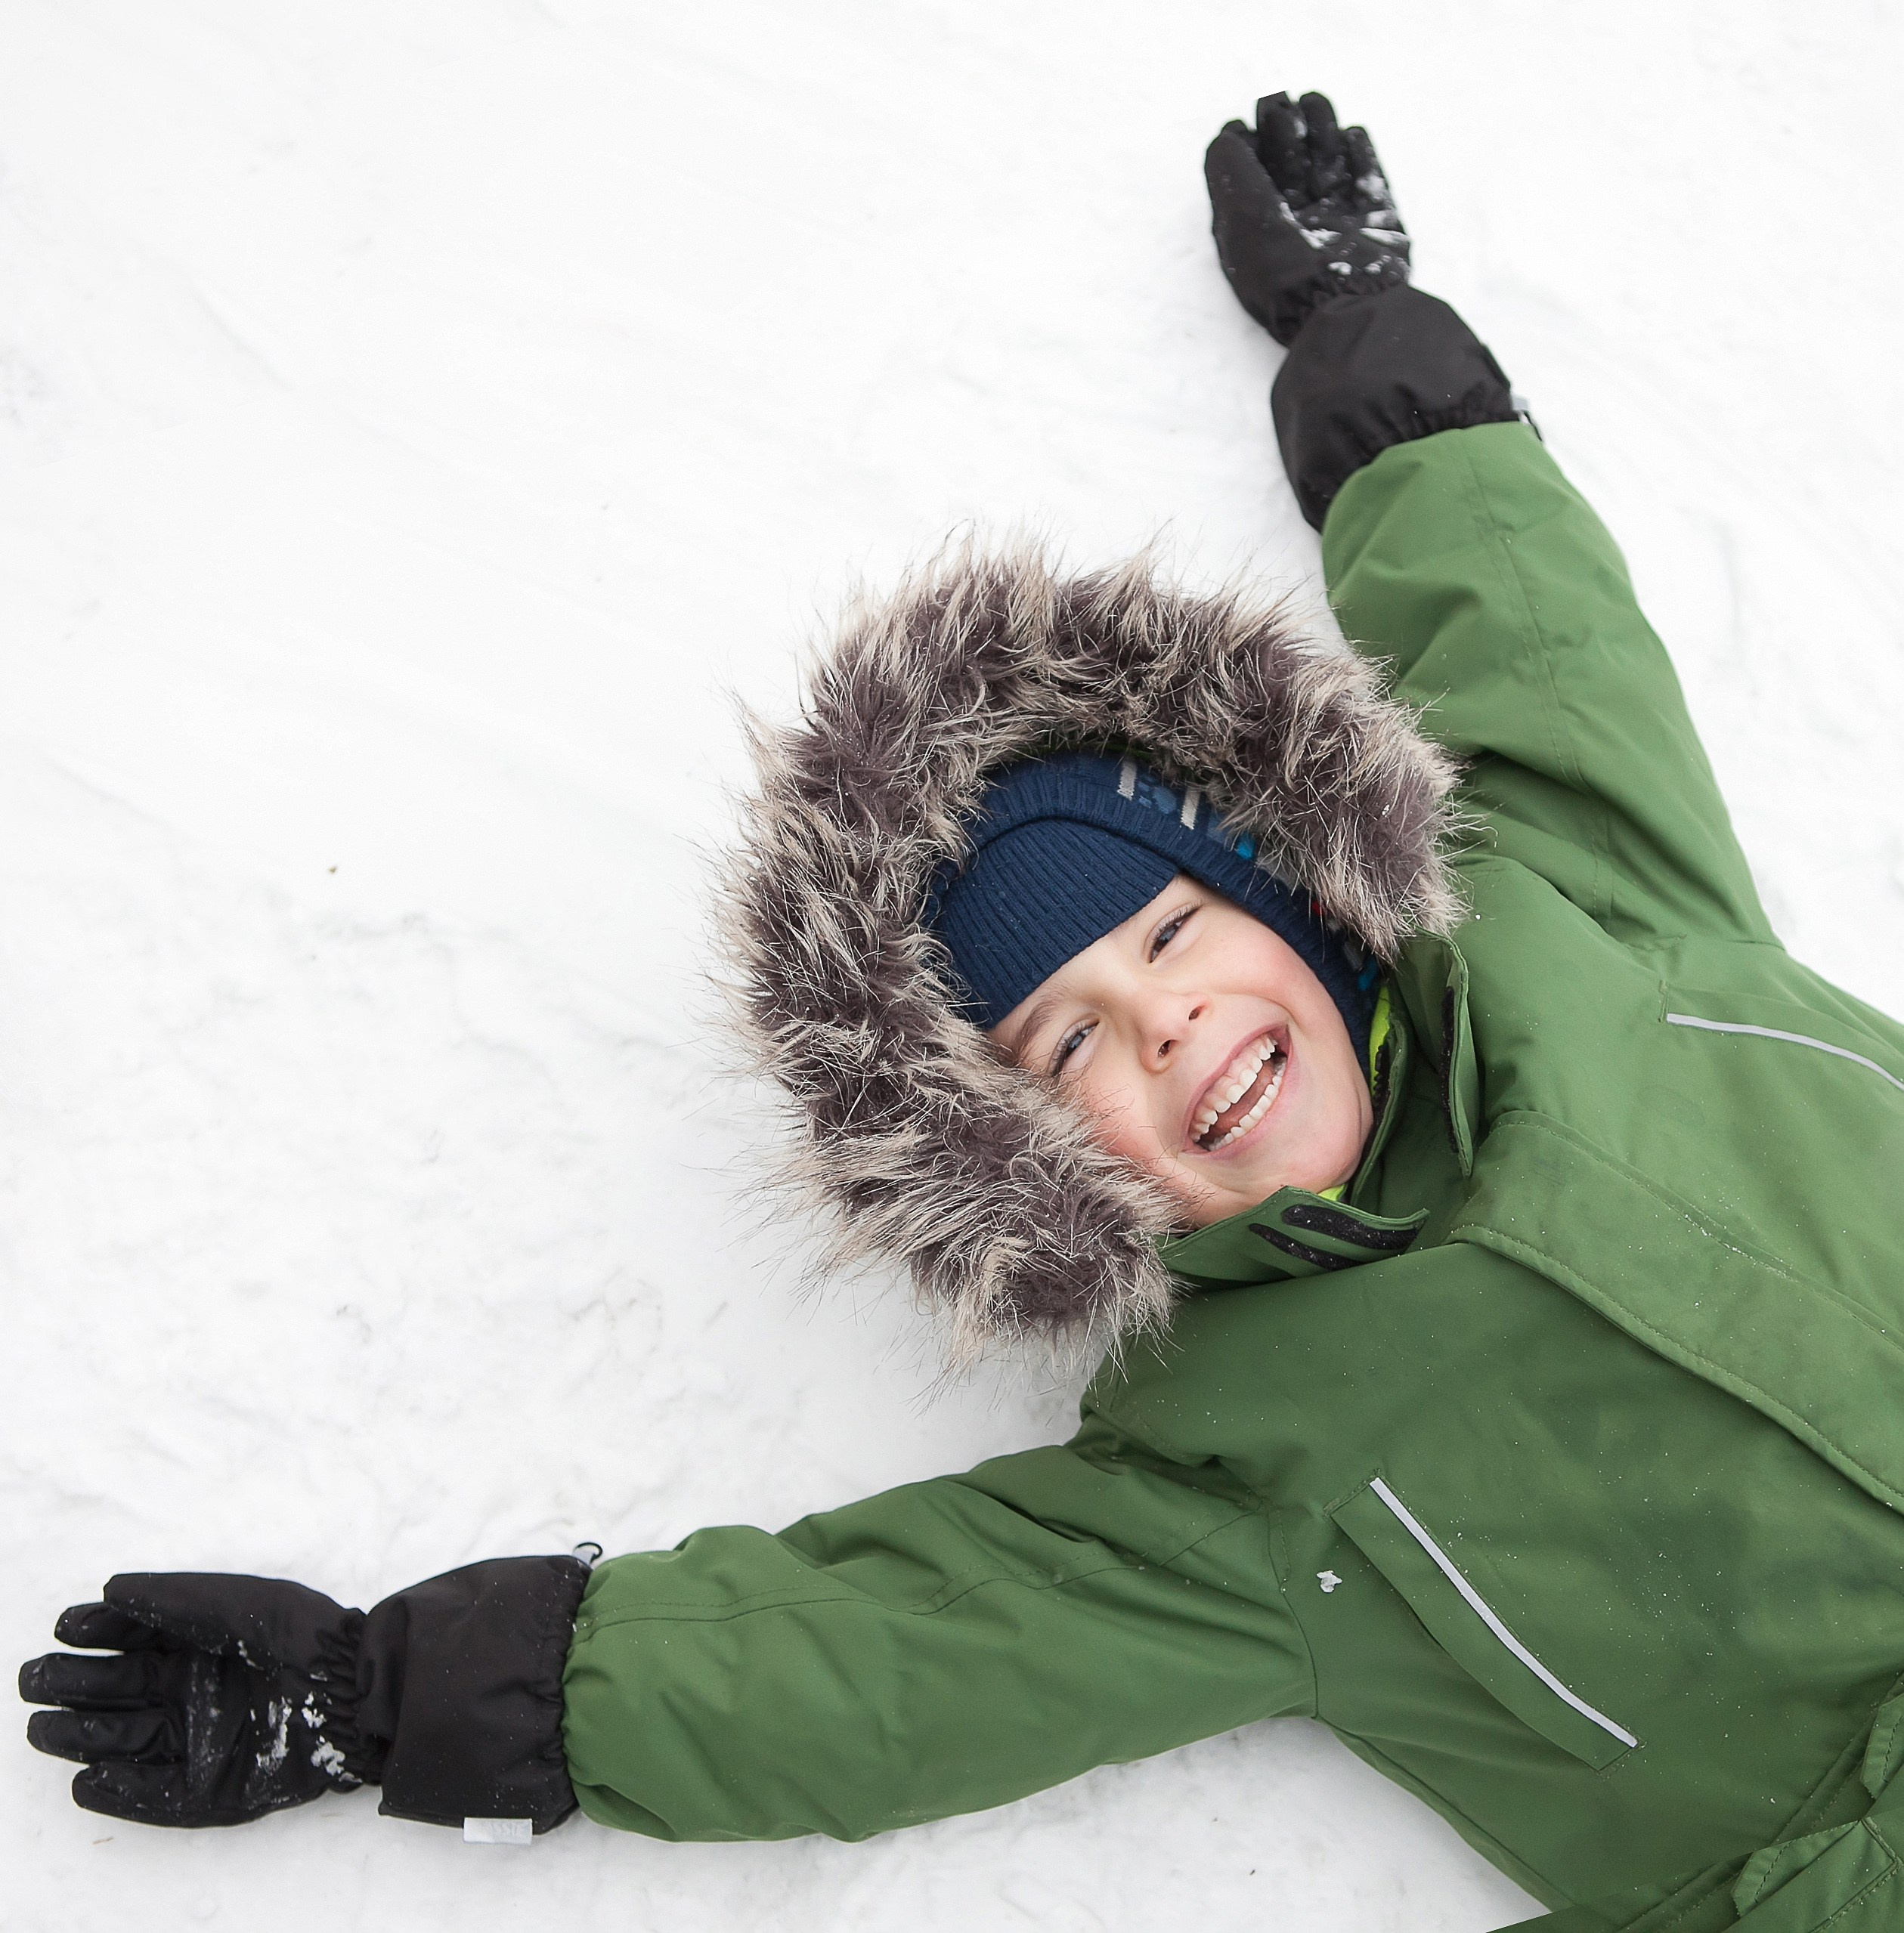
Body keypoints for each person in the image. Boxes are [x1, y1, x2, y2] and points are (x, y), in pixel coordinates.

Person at [20, 88, 1904, 1931]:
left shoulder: (1589, 913)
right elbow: (892, 1656)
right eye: (1067, 1046)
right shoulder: (1232, 1475)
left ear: (1307, 908)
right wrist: (388, 1694)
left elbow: (1534, 630)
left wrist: (1363, 342)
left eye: (1174, 937)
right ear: (1038, 1170)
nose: (1160, 1029)